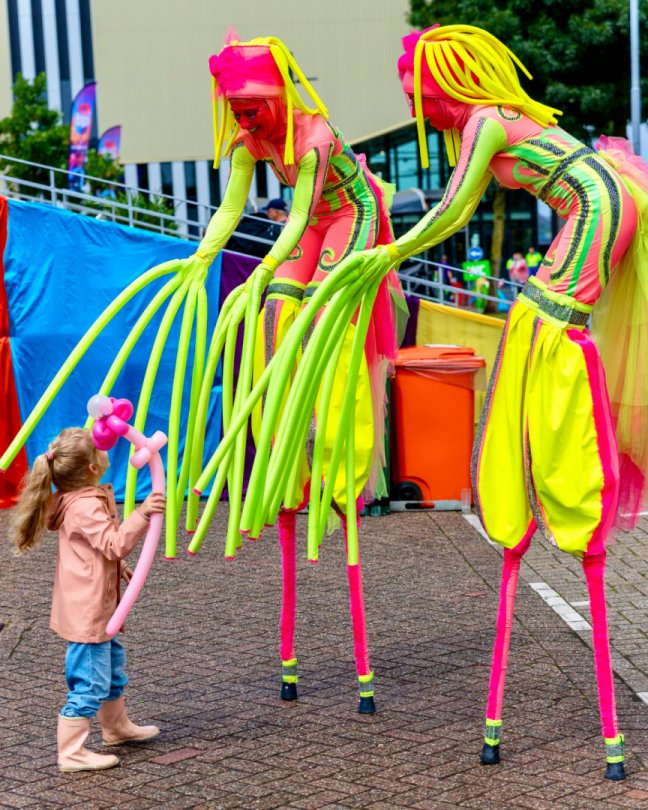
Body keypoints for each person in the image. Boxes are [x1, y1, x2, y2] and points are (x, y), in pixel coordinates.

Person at [355, 22, 648, 780]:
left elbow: (454, 212)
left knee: (545, 317)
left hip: (600, 201)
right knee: (537, 315)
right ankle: (536, 463)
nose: (421, 106)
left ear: (449, 84)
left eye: (421, 94)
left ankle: (560, 466)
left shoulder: (485, 121)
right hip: (597, 200)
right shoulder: (480, 128)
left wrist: (385, 252)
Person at [11, 427, 165, 772]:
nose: (107, 450)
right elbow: (113, 542)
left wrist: (118, 567)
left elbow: (94, 549)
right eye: (101, 448)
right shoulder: (84, 506)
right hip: (89, 609)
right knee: (89, 680)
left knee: (110, 670)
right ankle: (71, 752)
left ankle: (116, 728)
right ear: (93, 468)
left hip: (94, 602)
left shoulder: (79, 498)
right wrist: (141, 514)